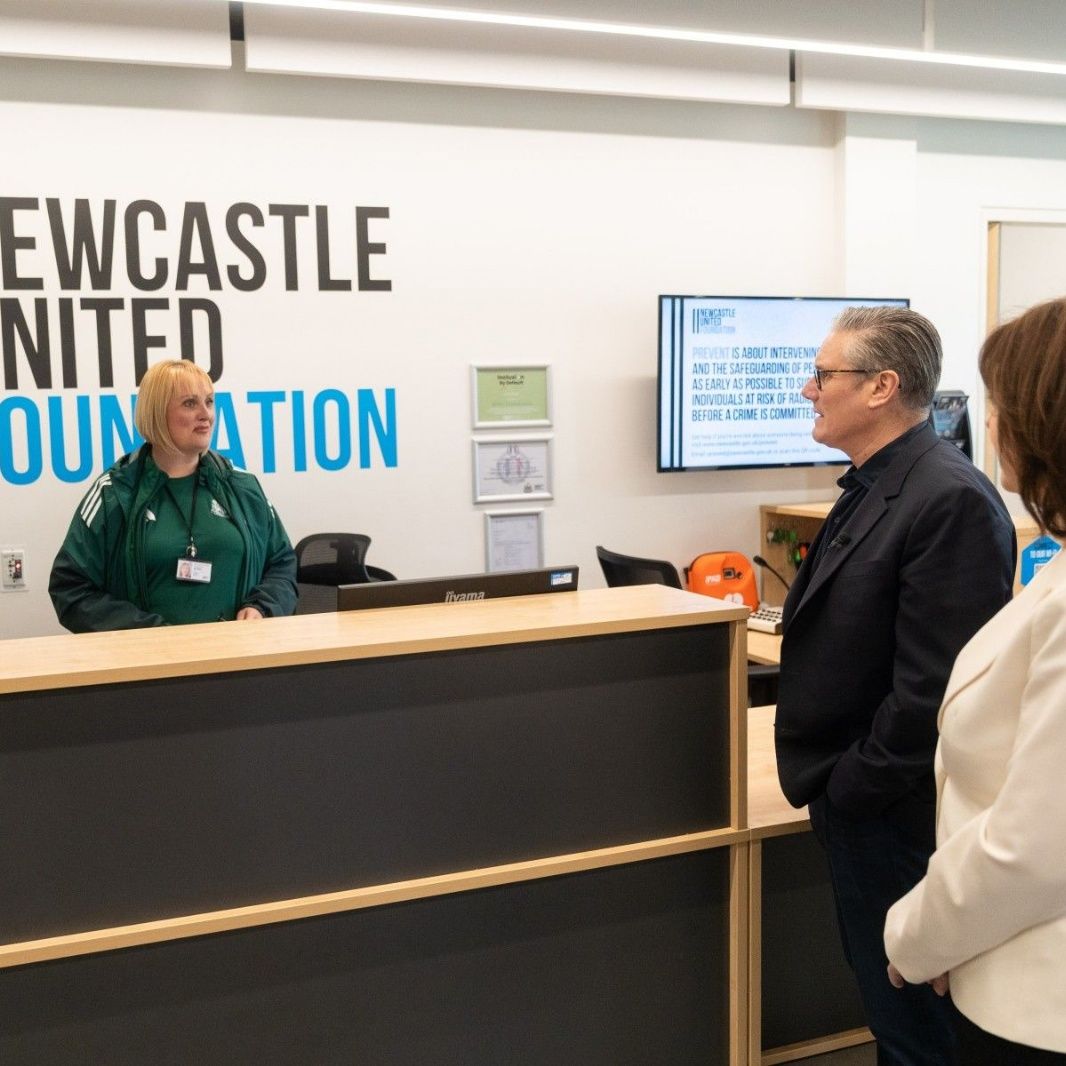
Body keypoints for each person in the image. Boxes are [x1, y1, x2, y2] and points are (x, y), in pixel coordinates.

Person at [774, 306, 1016, 1065]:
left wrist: (852, 788)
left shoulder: (947, 497)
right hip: (863, 806)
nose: (809, 390)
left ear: (881, 387)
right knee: (895, 1021)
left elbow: (934, 692)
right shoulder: (878, 483)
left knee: (918, 1037)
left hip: (893, 814)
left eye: (824, 375)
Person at [885, 298, 1066, 1062]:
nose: (987, 424)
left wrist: (918, 935)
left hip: (1037, 1005)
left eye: (1001, 406)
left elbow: (1034, 847)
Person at [50, 359, 297, 631]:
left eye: (209, 402)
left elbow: (282, 563)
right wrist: (150, 633)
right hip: (150, 656)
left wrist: (262, 606)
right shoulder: (114, 493)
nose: (206, 414)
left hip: (238, 654)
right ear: (157, 413)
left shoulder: (241, 485)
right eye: (190, 403)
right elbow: (70, 589)